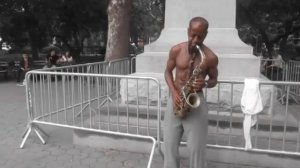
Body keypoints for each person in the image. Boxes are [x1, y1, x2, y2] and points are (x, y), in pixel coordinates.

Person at [164, 17, 218, 168]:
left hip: (195, 101)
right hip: (175, 99)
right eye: (192, 34)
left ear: (205, 35)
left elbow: (214, 80)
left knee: (196, 150)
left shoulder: (211, 57)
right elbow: (167, 72)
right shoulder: (176, 50)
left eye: (199, 36)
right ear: (188, 31)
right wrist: (174, 92)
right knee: (168, 145)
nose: (194, 39)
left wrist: (206, 83)